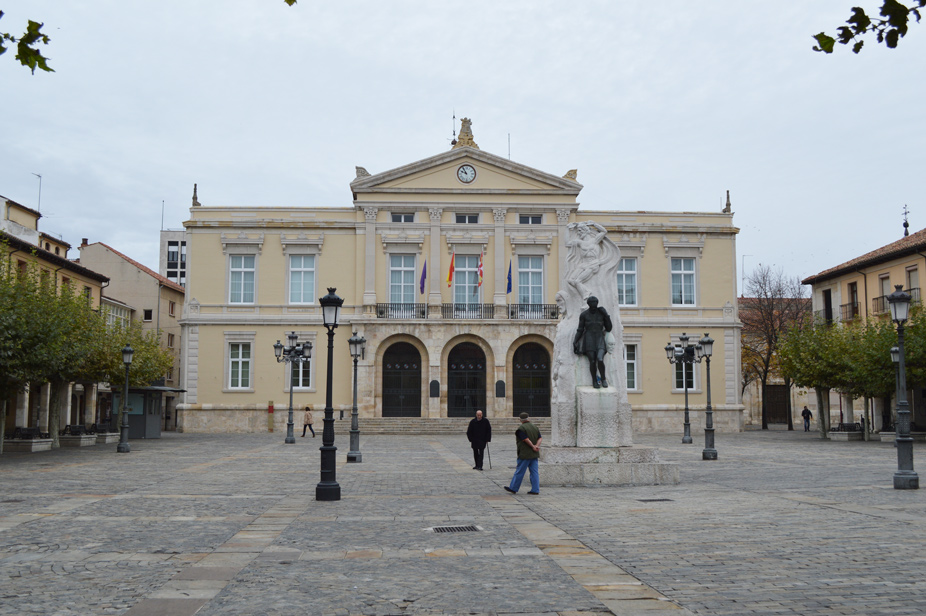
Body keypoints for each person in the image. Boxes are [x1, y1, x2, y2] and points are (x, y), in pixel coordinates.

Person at [573, 296, 613, 388]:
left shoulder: (601, 314)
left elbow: (609, 328)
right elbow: (580, 330)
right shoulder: (584, 315)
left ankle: (603, 379)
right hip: (589, 338)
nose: (594, 305)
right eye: (592, 303)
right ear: (589, 304)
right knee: (592, 361)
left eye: (595, 303)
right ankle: (594, 381)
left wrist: (606, 315)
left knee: (600, 359)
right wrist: (575, 341)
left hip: (599, 338)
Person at [505, 412, 542, 495]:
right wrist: (536, 446)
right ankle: (535, 489)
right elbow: (540, 438)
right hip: (534, 454)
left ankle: (513, 487)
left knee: (520, 471)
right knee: (534, 472)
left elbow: (525, 439)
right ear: (528, 418)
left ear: (520, 420)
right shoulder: (535, 427)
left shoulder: (521, 429)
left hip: (525, 454)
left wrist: (532, 446)